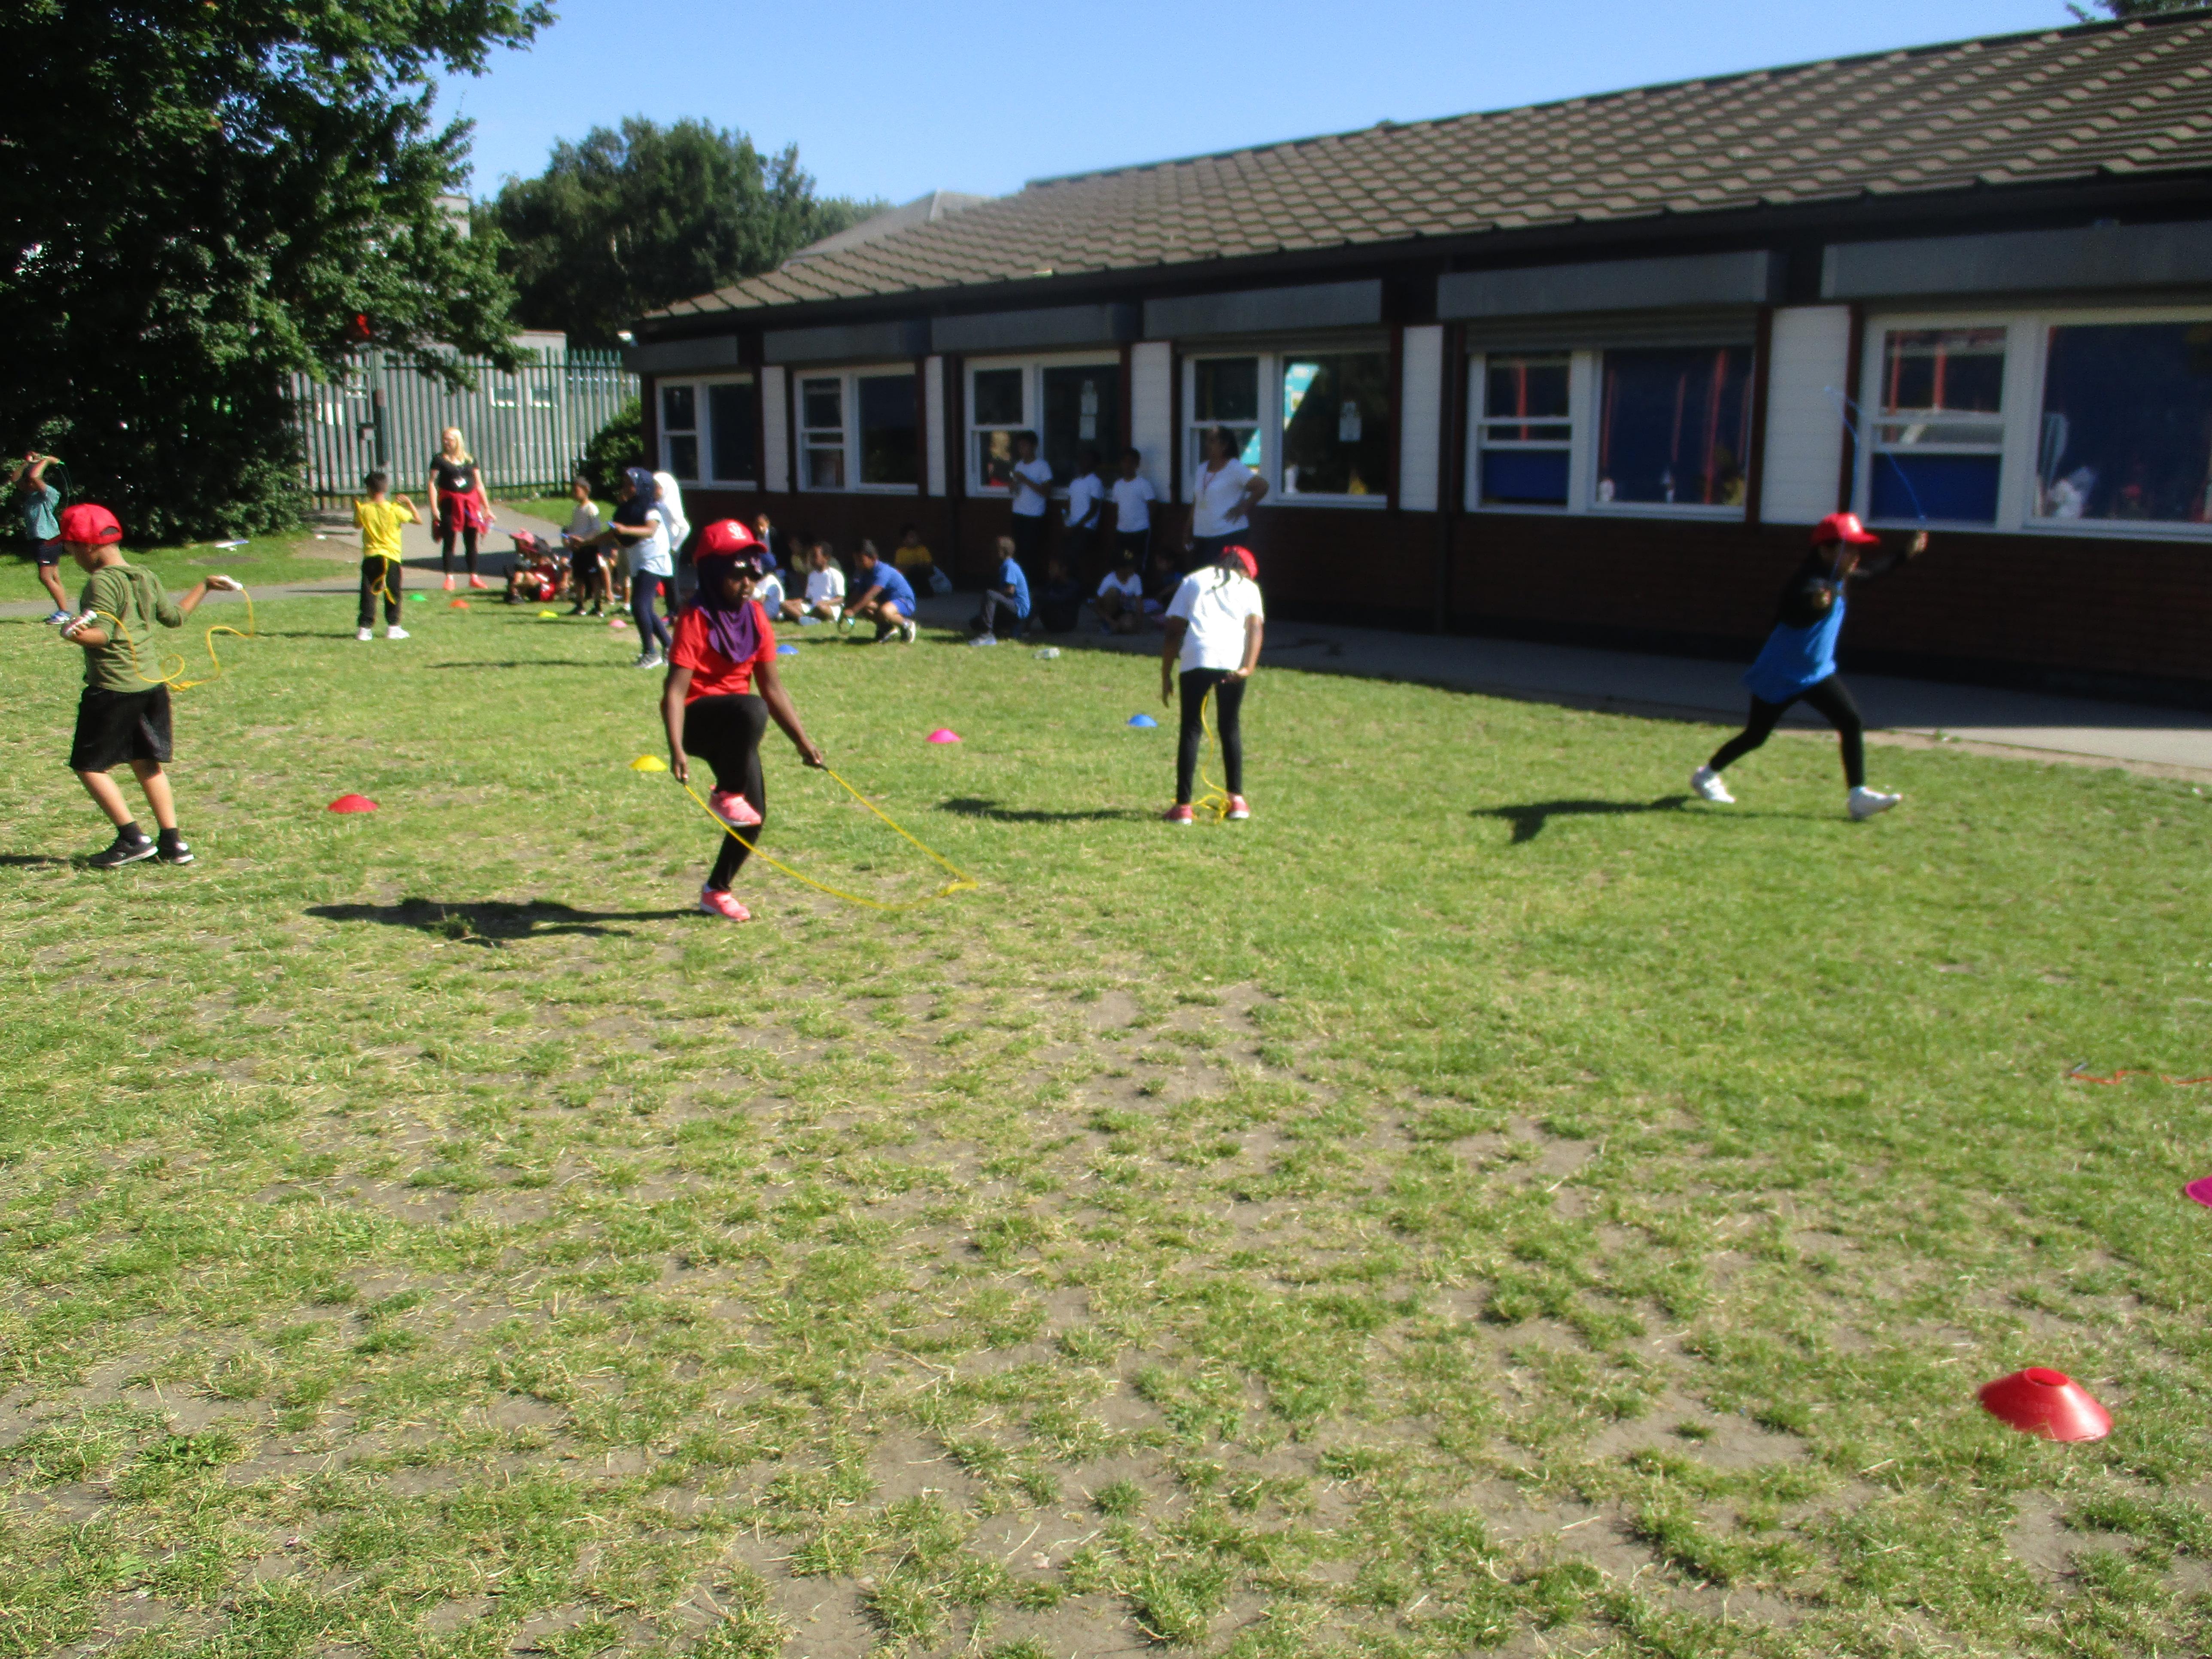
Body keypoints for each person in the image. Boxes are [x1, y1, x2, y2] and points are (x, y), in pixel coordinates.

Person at [1692, 513, 1927, 820]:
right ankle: (1706, 776)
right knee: (1756, 736)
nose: (1856, 555)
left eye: (1857, 548)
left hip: (1816, 674)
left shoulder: (1840, 577)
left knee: (1850, 721)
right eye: (1849, 548)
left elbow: (1869, 573)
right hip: (1780, 674)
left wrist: (1905, 554)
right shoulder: (1809, 582)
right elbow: (1796, 608)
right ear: (1825, 551)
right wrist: (1814, 604)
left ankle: (1858, 796)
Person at [53, 503, 241, 868]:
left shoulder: (101, 583)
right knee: (146, 763)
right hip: (151, 686)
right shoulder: (144, 575)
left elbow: (102, 636)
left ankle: (132, 839)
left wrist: (73, 633)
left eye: (70, 548)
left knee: (88, 765)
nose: (70, 555)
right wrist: (204, 585)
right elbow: (175, 618)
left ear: (88, 546)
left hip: (113, 688)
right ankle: (173, 843)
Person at [662, 521, 824, 922]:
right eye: (738, 574)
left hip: (737, 727)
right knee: (751, 709)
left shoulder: (755, 617)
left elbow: (773, 688)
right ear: (713, 573)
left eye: (753, 573)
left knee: (753, 817)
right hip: (700, 721)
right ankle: (726, 792)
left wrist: (802, 742)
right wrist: (676, 748)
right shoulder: (695, 617)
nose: (749, 582)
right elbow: (674, 693)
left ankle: (716, 891)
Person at [1160, 543, 1264, 825]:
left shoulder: (1193, 580)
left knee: (1191, 728)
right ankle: (1237, 800)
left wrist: (1166, 673)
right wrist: (1248, 667)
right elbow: (1256, 627)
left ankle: (1183, 807)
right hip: (1232, 659)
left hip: (1197, 657)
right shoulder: (1249, 588)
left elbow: (1173, 631)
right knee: (1230, 726)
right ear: (1244, 569)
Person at [595, 468, 673, 667]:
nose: (626, 487)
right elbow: (613, 534)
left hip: (653, 559)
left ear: (642, 486)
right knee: (645, 607)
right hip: (639, 561)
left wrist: (625, 529)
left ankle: (650, 653)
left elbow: (650, 530)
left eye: (631, 484)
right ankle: (670, 647)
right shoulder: (626, 509)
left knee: (639, 605)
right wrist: (585, 543)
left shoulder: (651, 508)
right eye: (625, 483)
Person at [1185, 426, 1267, 571]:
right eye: (1207, 440)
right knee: (1201, 574)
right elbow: (1197, 500)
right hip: (1202, 533)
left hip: (1228, 532)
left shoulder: (1234, 468)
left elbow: (1262, 486)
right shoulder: (1202, 469)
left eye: (1212, 441)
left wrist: (1244, 507)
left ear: (1224, 445)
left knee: (1220, 575)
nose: (1207, 445)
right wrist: (1188, 528)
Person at [351, 469, 416, 641]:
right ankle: (393, 627)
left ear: (369, 490)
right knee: (392, 592)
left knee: (368, 592)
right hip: (391, 556)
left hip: (371, 556)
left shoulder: (364, 509)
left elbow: (357, 525)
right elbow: (418, 520)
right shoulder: (394, 509)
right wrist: (409, 504)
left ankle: (364, 628)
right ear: (386, 488)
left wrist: (357, 508)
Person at [428, 426, 494, 592]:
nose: (446, 442)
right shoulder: (439, 460)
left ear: (458, 441)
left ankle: (474, 577)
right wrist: (434, 508)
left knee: (471, 540)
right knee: (449, 539)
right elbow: (432, 483)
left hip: (470, 504)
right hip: (450, 504)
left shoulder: (470, 460)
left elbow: (479, 484)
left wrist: (487, 507)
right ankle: (449, 578)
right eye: (444, 439)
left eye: (449, 439)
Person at [9, 451, 70, 622]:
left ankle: (64, 612)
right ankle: (64, 611)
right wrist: (26, 463)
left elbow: (35, 476)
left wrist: (47, 460)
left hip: (47, 539)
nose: (28, 483)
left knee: (45, 577)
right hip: (43, 539)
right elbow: (15, 479)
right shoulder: (32, 494)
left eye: (31, 481)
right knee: (54, 576)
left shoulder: (49, 493)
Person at [845, 543, 919, 644]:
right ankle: (887, 628)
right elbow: (857, 594)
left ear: (873, 558)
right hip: (886, 603)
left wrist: (853, 611)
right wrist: (846, 609)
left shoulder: (883, 571)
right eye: (856, 561)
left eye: (861, 560)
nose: (858, 564)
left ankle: (907, 625)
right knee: (863, 606)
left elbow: (871, 594)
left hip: (904, 602)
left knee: (885, 611)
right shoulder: (865, 573)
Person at [969, 535, 1031, 644]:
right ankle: (1009, 628)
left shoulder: (1009, 566)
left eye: (995, 550)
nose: (992, 553)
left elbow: (1010, 591)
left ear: (1003, 552)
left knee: (990, 595)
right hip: (1012, 607)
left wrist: (992, 597)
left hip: (1018, 608)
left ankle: (987, 635)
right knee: (976, 623)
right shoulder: (1006, 566)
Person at [1007, 431, 1052, 573]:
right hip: (1018, 512)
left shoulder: (1042, 466)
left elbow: (1047, 492)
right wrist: (1013, 485)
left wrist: (1026, 480)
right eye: (1020, 446)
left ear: (1034, 446)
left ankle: (1031, 582)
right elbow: (1012, 490)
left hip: (1034, 515)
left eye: (1025, 446)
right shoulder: (1019, 465)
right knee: (1018, 551)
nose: (1022, 449)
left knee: (1031, 552)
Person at [562, 477, 608, 615]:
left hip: (588, 547)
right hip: (578, 548)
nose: (574, 493)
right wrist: (569, 536)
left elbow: (596, 529)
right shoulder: (577, 509)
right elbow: (576, 527)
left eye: (577, 490)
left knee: (594, 576)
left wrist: (584, 540)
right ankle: (580, 605)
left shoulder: (591, 508)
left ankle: (598, 606)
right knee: (578, 577)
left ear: (586, 490)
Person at [1109, 447, 1157, 576]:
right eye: (1125, 462)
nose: (1127, 465)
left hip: (1139, 532)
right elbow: (1116, 508)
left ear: (1137, 464)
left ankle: (1139, 587)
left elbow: (1153, 506)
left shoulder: (1143, 484)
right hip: (1122, 532)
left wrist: (1147, 525)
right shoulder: (1117, 485)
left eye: (1131, 462)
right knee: (1124, 561)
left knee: (1138, 564)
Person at [1063, 447, 1106, 573]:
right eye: (1081, 459)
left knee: (1078, 561)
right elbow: (1068, 505)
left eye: (1087, 460)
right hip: (1071, 528)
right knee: (1066, 560)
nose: (1082, 463)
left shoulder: (1096, 482)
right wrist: (1066, 524)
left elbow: (1093, 510)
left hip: (1086, 528)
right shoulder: (1075, 482)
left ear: (1094, 463)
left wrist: (1076, 527)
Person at [785, 541, 846, 625]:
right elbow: (808, 599)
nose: (812, 560)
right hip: (812, 607)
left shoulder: (835, 574)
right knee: (785, 605)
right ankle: (804, 619)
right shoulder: (812, 575)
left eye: (815, 556)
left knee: (821, 608)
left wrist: (824, 603)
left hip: (828, 607)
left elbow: (841, 599)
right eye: (811, 557)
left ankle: (808, 618)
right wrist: (794, 603)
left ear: (826, 558)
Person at [1094, 544, 1146, 635]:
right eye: (1130, 566)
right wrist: (1110, 621)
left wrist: (1138, 624)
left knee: (1128, 627)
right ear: (1120, 568)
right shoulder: (1108, 580)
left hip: (1126, 612)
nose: (1133, 568)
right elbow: (1097, 606)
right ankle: (1108, 624)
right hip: (1111, 612)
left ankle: (1119, 626)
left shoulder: (1136, 578)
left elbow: (1139, 604)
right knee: (1112, 592)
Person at [893, 523, 945, 593]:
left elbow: (930, 567)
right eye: (912, 537)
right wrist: (911, 568)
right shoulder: (901, 552)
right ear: (905, 540)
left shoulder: (923, 550)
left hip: (923, 576)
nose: (915, 539)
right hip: (908, 577)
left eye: (916, 536)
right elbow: (899, 569)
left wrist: (921, 566)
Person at [1038, 554, 1084, 634]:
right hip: (1050, 623)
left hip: (1067, 623)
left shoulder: (1073, 586)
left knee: (1042, 600)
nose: (1050, 571)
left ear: (1063, 570)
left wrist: (1041, 597)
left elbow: (1060, 599)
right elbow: (1042, 593)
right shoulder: (1053, 584)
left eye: (1053, 568)